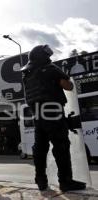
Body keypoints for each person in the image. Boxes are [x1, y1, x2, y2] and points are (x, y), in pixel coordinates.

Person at [21, 44, 86, 192]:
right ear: (43, 57)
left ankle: (41, 180)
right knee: (61, 146)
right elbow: (68, 86)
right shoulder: (51, 69)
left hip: (38, 115)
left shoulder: (28, 75)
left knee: (40, 148)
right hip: (53, 113)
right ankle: (65, 181)